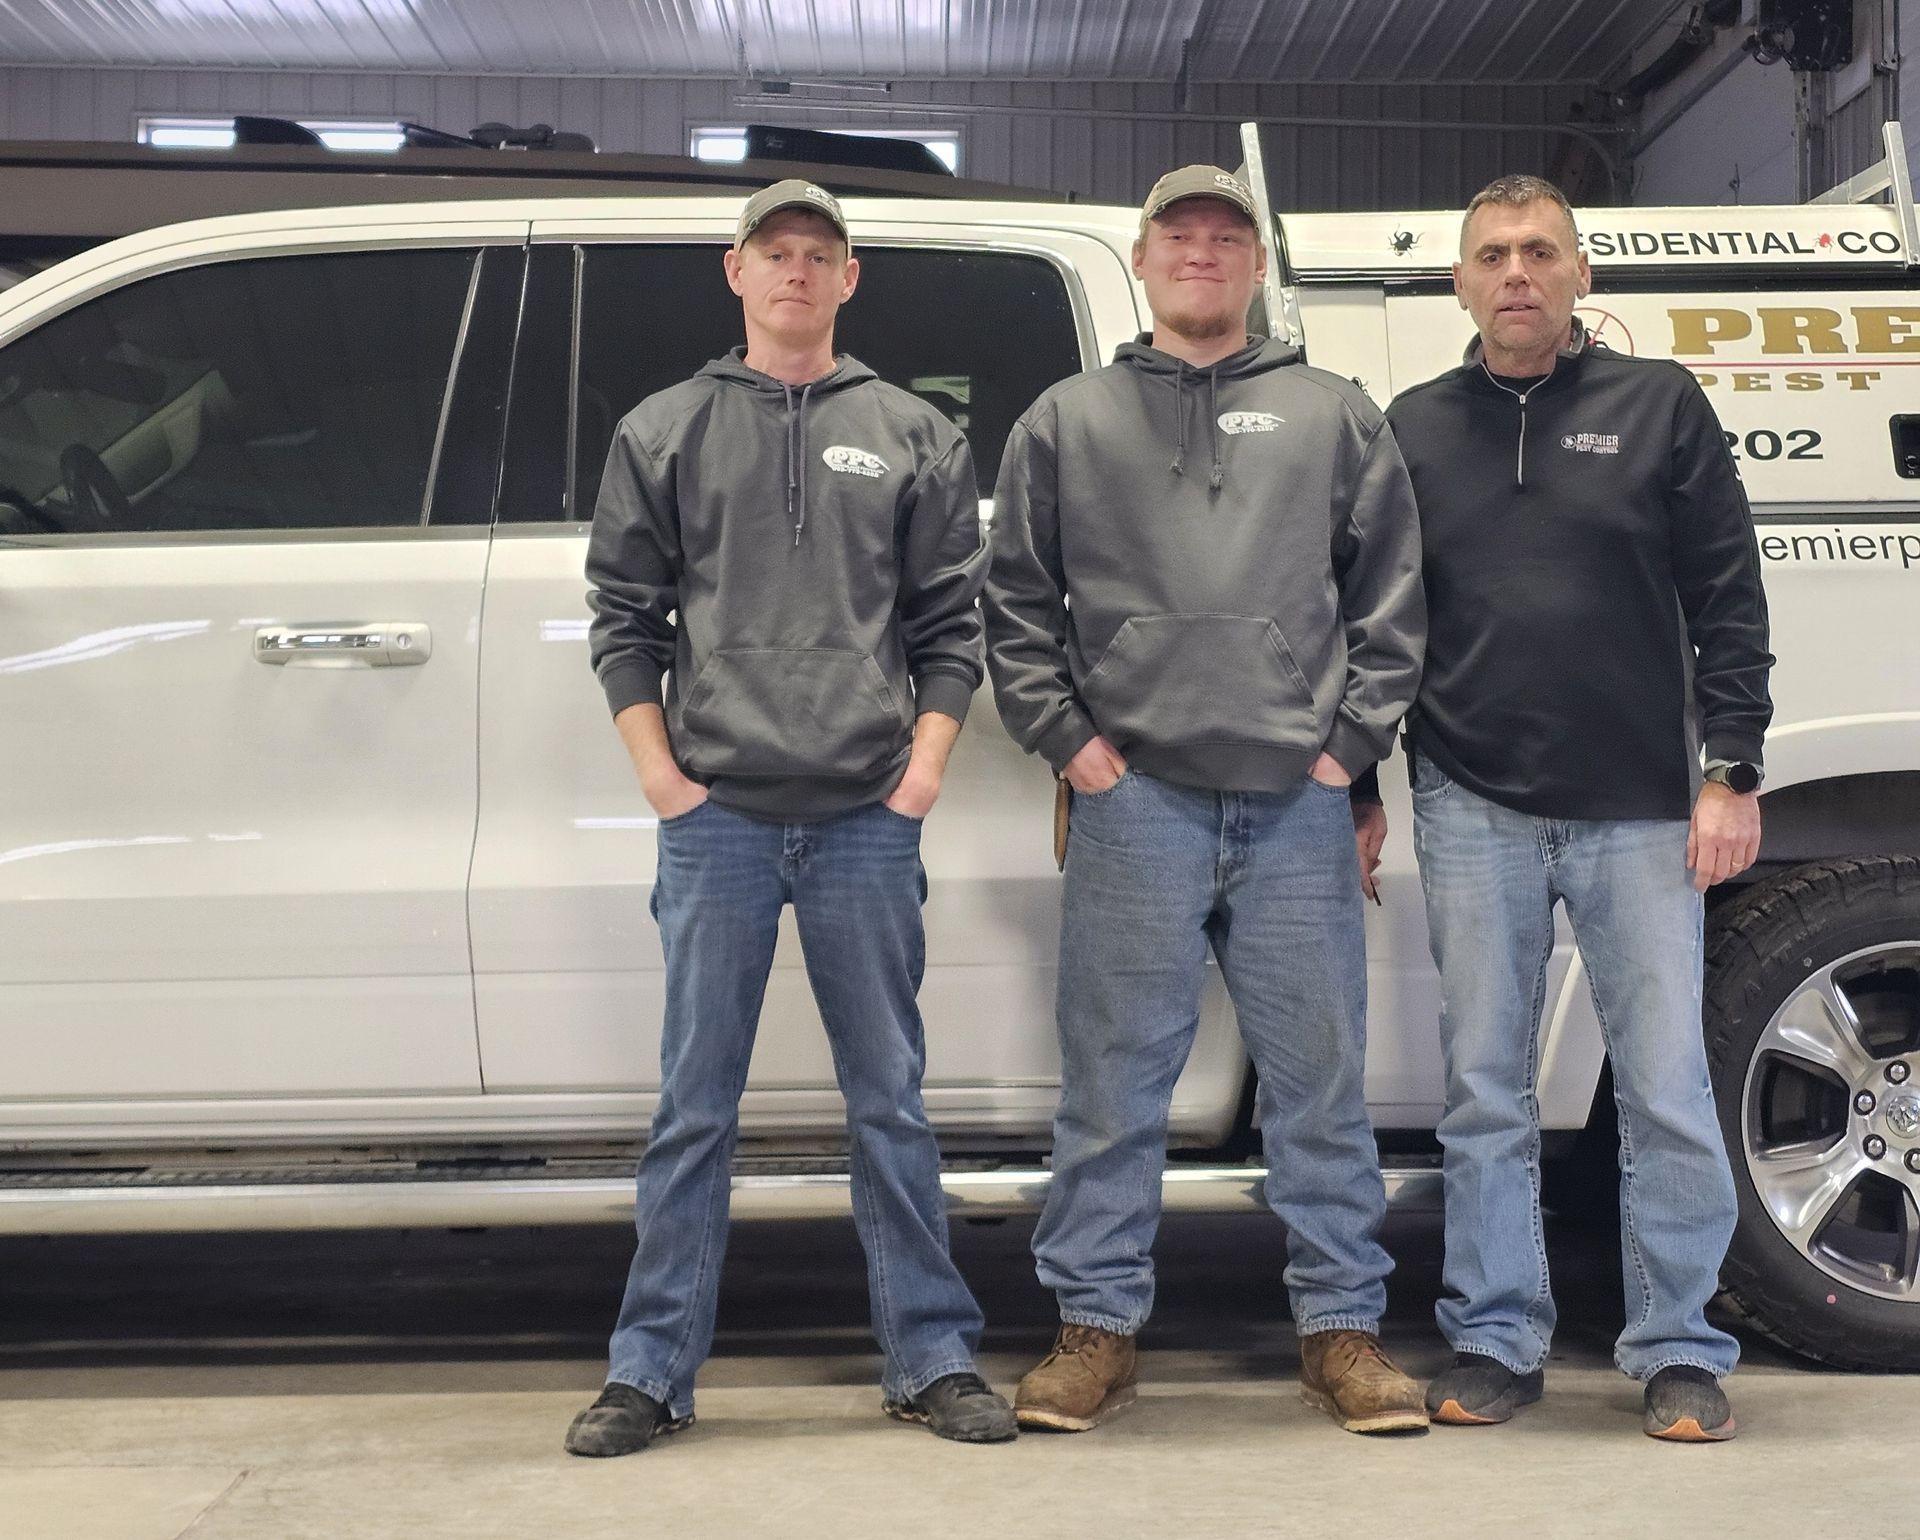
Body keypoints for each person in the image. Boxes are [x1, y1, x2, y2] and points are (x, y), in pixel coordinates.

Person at [566, 178, 1014, 1456]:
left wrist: (921, 768)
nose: (799, 272)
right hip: (718, 822)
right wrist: (663, 777)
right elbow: (623, 618)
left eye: (821, 254)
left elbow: (949, 624)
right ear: (738, 271)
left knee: (892, 1102)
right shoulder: (665, 429)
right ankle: (649, 1370)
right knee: (694, 1105)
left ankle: (930, 1355)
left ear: (849, 278)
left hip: (869, 819)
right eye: (778, 252)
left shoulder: (914, 431)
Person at [983, 164, 1428, 1436]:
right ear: (1142, 257)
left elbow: (1391, 602)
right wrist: (1075, 747)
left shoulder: (1333, 414)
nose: (1200, 253)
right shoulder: (1067, 420)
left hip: (1294, 802)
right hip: (1136, 802)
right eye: (1179, 234)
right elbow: (1014, 605)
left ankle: (1342, 1334)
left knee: (1320, 1081)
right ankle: (1095, 1331)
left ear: (1253, 265)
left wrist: (1344, 755)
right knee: (1113, 1083)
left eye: (1224, 236)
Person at [1384, 173, 1772, 1442]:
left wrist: (1733, 767)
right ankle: (1497, 1336)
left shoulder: (1660, 405)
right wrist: (1374, 780)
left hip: (1640, 808)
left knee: (1661, 1085)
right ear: (1459, 280)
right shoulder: (1413, 425)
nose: (1517, 273)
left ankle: (1678, 1347)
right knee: (1483, 1090)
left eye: (1540, 251)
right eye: (1491, 252)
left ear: (1581, 273)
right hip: (1469, 798)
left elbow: (1728, 596)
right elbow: (1381, 622)